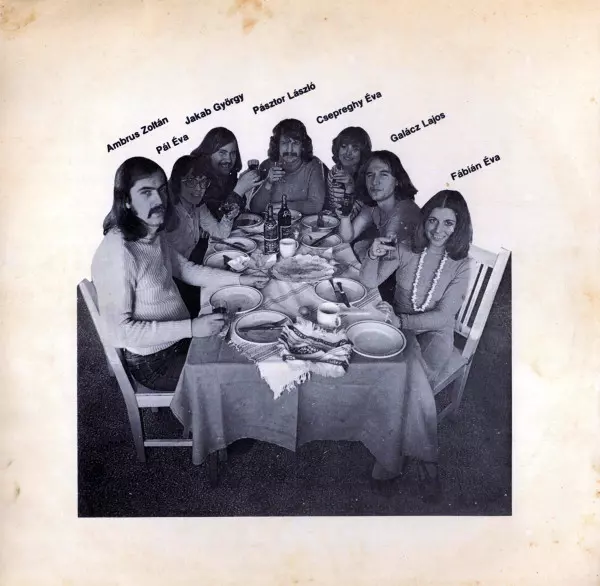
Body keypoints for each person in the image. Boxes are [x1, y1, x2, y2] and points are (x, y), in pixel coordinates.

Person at [92, 157, 267, 392]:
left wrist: (241, 279)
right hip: (155, 363)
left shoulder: (149, 231)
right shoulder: (119, 251)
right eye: (146, 192)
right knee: (246, 376)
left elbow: (186, 270)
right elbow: (119, 333)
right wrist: (192, 328)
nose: (159, 200)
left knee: (251, 343)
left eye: (161, 190)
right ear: (126, 201)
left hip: (179, 339)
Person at [359, 189, 473, 502]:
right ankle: (427, 460)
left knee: (404, 378)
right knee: (409, 374)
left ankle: (391, 460)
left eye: (449, 223)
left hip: (435, 333)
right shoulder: (406, 248)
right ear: (424, 220)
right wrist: (372, 255)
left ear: (459, 227)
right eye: (433, 220)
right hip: (403, 328)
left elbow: (443, 316)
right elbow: (368, 282)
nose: (439, 230)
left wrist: (401, 321)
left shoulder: (462, 265)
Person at [165, 155, 240, 316]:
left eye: (203, 181)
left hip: (189, 270)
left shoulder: (198, 206)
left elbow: (220, 233)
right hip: (172, 284)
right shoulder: (168, 213)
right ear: (177, 183)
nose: (199, 188)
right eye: (191, 181)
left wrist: (228, 217)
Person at [339, 150, 421, 262]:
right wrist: (345, 215)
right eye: (370, 175)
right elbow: (347, 238)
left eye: (383, 175)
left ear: (397, 181)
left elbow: (386, 260)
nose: (374, 182)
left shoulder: (403, 212)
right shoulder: (373, 207)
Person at [249, 119, 326, 215]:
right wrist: (268, 182)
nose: (290, 149)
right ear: (277, 145)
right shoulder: (266, 165)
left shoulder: (314, 164)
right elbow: (255, 208)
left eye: (295, 143)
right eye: (285, 143)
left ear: (303, 146)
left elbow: (316, 205)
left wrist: (281, 206)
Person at [190, 127, 259, 220]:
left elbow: (238, 208)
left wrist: (243, 181)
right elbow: (215, 221)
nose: (229, 159)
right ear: (208, 153)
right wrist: (239, 190)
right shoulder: (197, 178)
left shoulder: (225, 174)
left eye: (233, 153)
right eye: (222, 153)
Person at [324, 126, 372, 219]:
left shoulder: (367, 178)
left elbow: (349, 216)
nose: (348, 153)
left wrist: (350, 189)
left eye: (355, 149)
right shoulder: (334, 172)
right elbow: (332, 207)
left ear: (362, 153)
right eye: (344, 146)